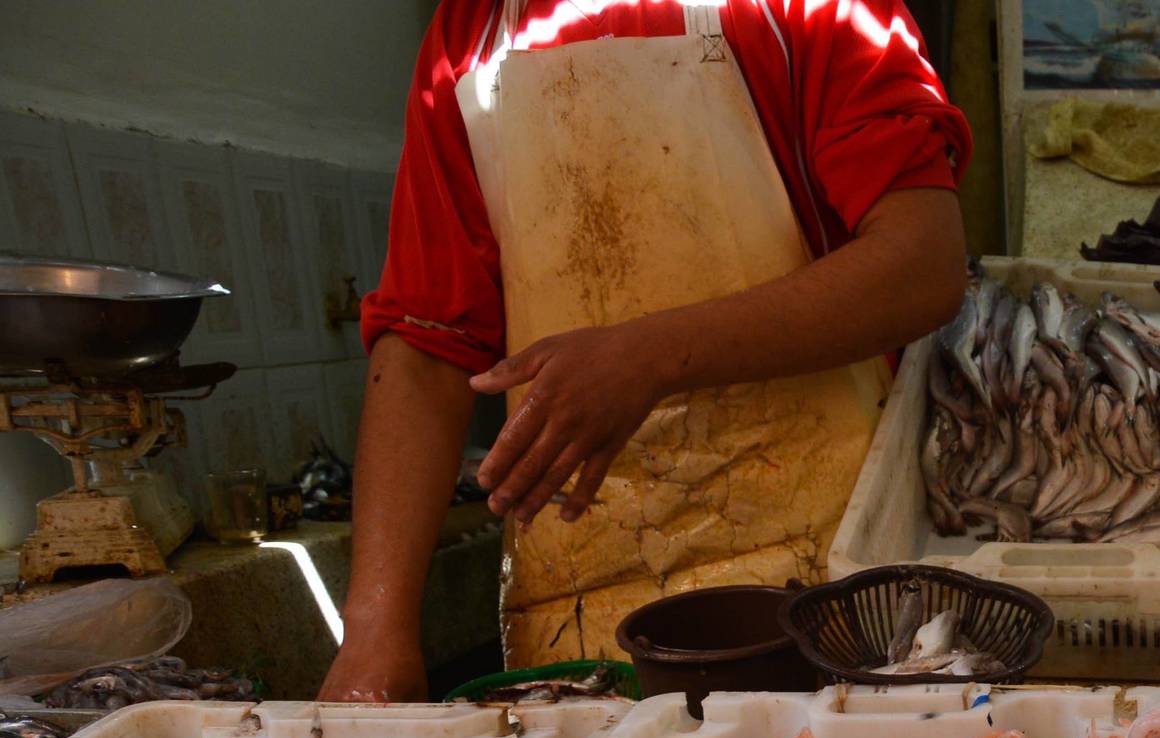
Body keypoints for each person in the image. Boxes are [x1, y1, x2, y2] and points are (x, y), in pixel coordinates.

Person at [320, 0, 972, 700]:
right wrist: (374, 631)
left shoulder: (815, 12)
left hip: (827, 590)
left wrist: (649, 358)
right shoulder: (470, 38)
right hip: (585, 620)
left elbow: (922, 262)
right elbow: (426, 347)